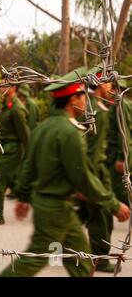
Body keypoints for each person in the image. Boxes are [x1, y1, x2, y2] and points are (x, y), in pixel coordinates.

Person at [0, 71, 130, 277]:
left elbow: (28, 167)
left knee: (83, 266)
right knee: (32, 261)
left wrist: (23, 196)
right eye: (83, 96)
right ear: (72, 100)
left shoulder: (43, 128)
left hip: (58, 207)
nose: (87, 101)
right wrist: (113, 204)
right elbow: (83, 177)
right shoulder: (70, 133)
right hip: (55, 209)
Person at [77, 66, 119, 272]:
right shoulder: (99, 112)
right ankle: (100, 259)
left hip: (83, 169)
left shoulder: (84, 106)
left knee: (88, 214)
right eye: (109, 82)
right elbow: (93, 152)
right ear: (101, 84)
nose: (111, 86)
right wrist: (89, 183)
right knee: (101, 216)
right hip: (95, 172)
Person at [0, 77, 29, 224]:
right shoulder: (7, 105)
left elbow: (24, 135)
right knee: (7, 180)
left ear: (13, 88)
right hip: (4, 147)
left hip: (12, 150)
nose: (0, 87)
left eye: (4, 85)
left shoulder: (17, 109)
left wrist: (30, 155)